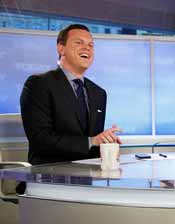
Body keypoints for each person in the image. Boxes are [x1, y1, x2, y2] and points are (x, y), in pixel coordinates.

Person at [20, 24, 121, 165]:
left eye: (91, 45)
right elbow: (40, 139)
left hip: (88, 178)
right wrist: (92, 141)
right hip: (50, 177)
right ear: (61, 48)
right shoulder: (39, 84)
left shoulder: (99, 93)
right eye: (79, 42)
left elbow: (91, 145)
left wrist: (106, 145)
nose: (87, 48)